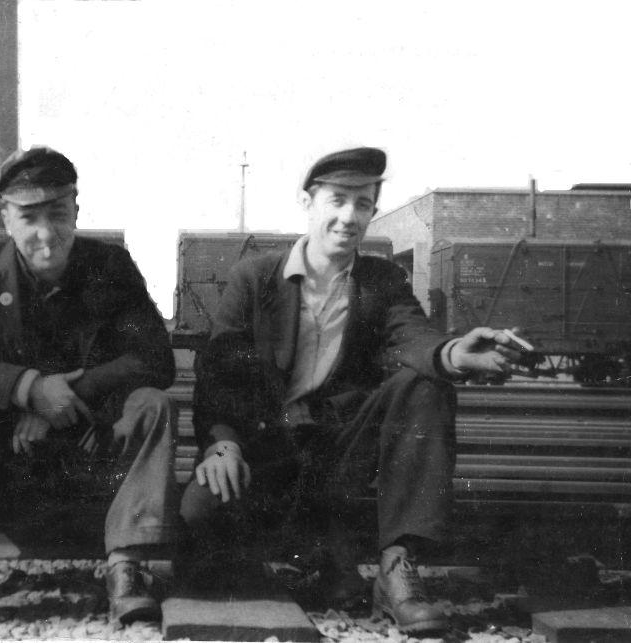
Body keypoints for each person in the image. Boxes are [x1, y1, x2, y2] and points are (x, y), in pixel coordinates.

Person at [182, 147, 536, 634]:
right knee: (200, 515)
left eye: (364, 204)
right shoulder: (256, 279)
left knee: (424, 385)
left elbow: (412, 336)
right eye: (338, 200)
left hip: (340, 450)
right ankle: (311, 560)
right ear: (309, 201)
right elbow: (219, 372)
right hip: (267, 450)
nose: (350, 217)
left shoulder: (381, 279)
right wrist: (222, 442)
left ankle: (397, 569)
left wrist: (454, 354)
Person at [0, 146, 179, 624]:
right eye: (29, 217)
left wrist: (64, 396)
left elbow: (154, 358)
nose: (46, 233)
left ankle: (126, 568)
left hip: (88, 448)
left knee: (152, 405)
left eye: (58, 214)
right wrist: (28, 388)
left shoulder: (110, 268)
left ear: (76, 211)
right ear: (6, 218)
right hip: (1, 455)